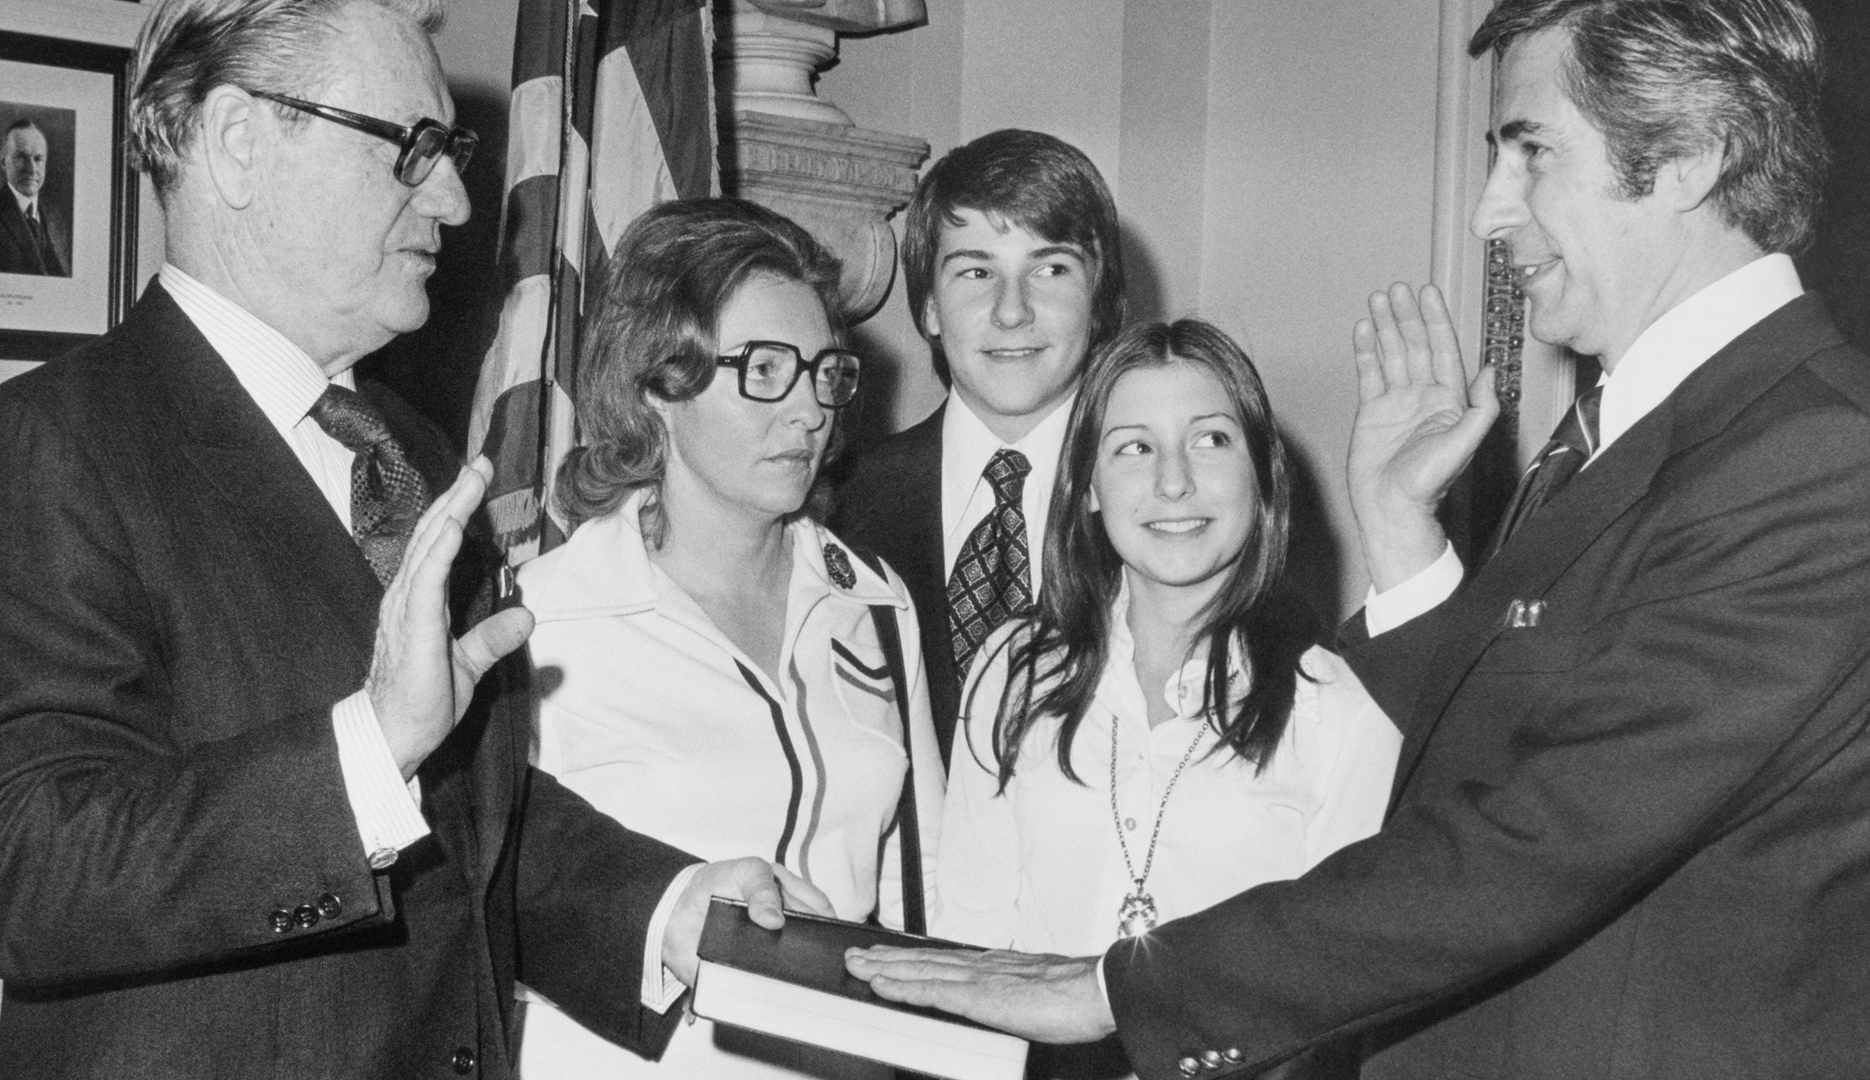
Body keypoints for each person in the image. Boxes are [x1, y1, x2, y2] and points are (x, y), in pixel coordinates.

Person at [847, 2, 1870, 1078]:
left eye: (1531, 151)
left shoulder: (1819, 458)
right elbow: (1487, 753)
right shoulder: (1641, 435)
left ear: (1688, 156)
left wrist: (1117, 986)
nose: (1491, 212)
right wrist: (1399, 533)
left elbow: (1539, 837)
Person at [0, 3, 819, 1078]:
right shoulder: (54, 443)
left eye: (450, 150)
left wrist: (665, 906)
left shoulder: (409, 451)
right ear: (239, 142)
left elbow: (468, 818)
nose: (457, 200)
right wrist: (368, 750)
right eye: (412, 146)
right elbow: (27, 866)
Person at [514, 197, 944, 1079]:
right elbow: (502, 904)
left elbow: (923, 884)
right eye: (766, 370)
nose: (810, 411)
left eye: (825, 373)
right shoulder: (544, 620)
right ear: (657, 386)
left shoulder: (872, 602)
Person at [934, 319, 1400, 1080]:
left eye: (1211, 440)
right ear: (1088, 485)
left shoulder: (1342, 710)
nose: (1173, 481)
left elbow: (1332, 1001)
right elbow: (970, 950)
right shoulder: (1014, 672)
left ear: (1262, 474)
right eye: (1134, 447)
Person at [834, 129, 1125, 766]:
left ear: (1098, 299)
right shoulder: (838, 505)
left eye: (1050, 269)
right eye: (975, 271)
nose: (1011, 310)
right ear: (930, 307)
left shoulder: (1166, 502)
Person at [0, 119, 71, 276]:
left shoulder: (55, 218)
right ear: (3, 162)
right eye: (21, 157)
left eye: (38, 159)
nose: (31, 169)